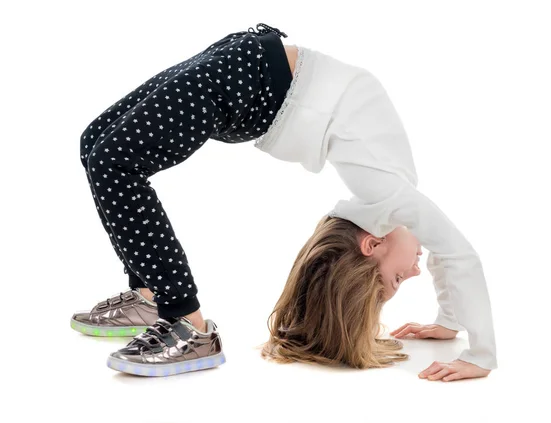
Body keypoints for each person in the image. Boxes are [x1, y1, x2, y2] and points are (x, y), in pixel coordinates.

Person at [73, 23, 497, 381]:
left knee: (110, 158)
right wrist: (474, 348)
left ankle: (184, 320)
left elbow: (449, 252)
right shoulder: (390, 196)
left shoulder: (385, 198)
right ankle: (163, 304)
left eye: (400, 279)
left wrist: (450, 322)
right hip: (251, 71)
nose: (416, 269)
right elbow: (456, 254)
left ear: (371, 245)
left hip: (252, 75)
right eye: (399, 281)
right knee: (98, 146)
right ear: (371, 245)